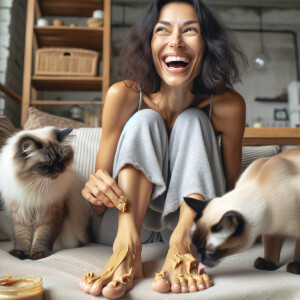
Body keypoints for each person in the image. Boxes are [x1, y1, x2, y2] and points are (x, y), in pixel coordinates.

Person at [79, 0, 246, 298]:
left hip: (194, 227)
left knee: (193, 121)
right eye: (163, 30)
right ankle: (127, 248)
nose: (176, 42)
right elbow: (96, 204)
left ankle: (182, 244)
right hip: (126, 224)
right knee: (146, 120)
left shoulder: (228, 106)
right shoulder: (123, 96)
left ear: (208, 44)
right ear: (150, 43)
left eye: (190, 30)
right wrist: (94, 188)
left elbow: (231, 192)